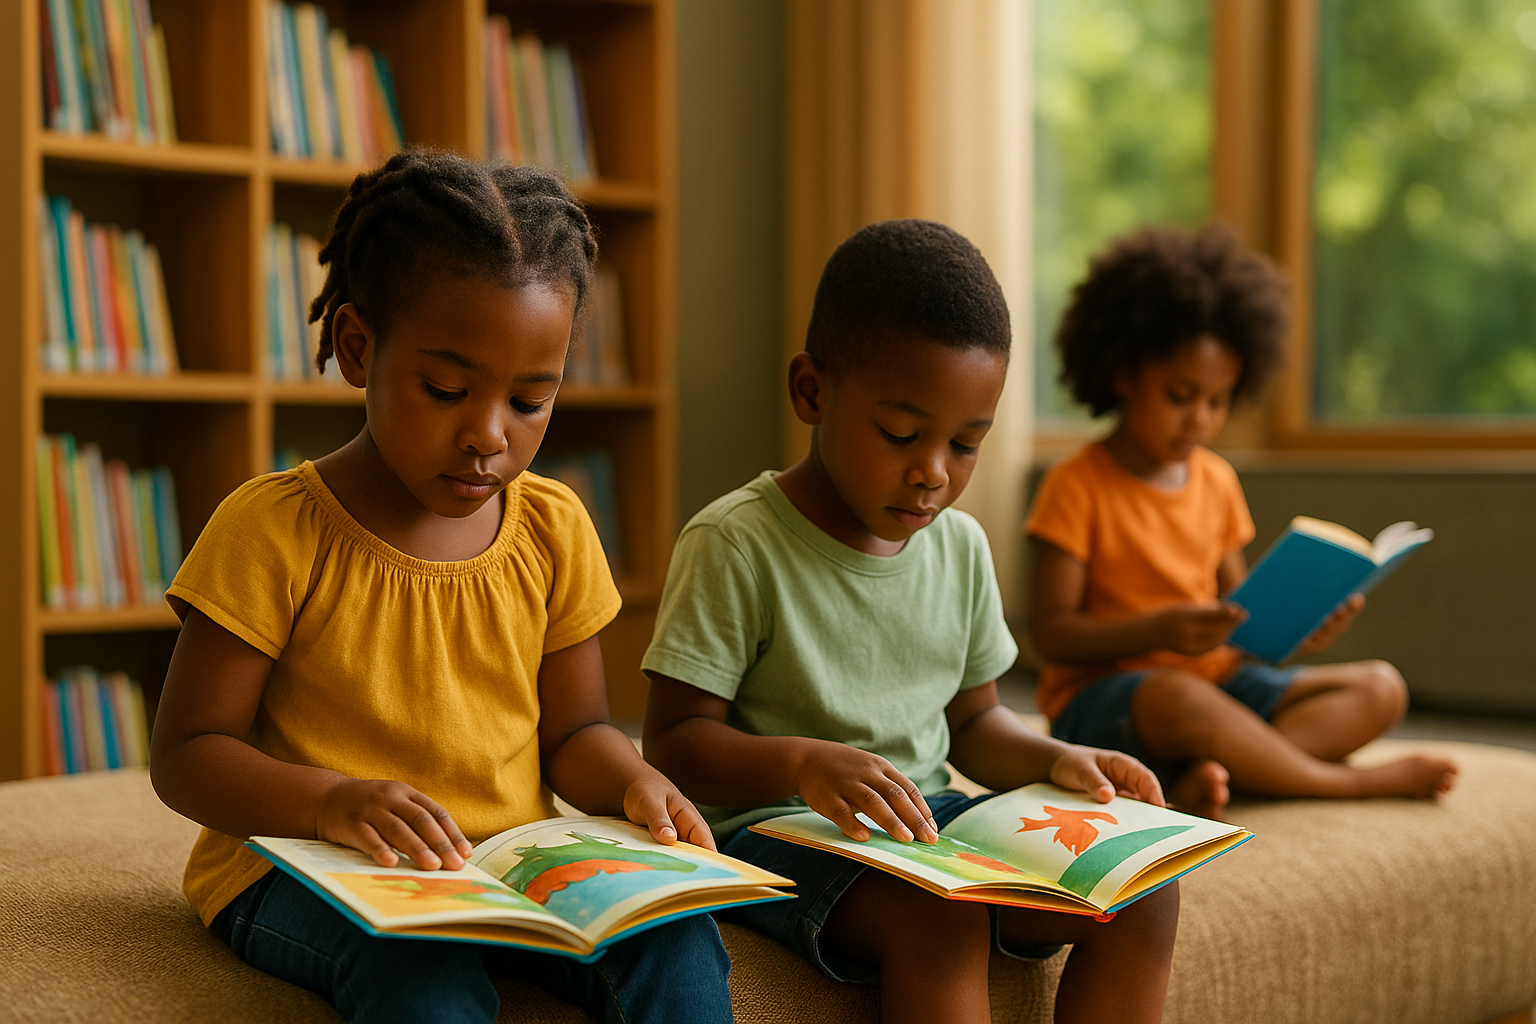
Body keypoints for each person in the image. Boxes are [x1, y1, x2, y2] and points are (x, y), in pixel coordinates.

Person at [148, 151, 733, 1024]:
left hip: (504, 864)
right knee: (416, 975)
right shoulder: (273, 528)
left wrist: (633, 783)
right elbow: (188, 752)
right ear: (357, 346)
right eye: (446, 389)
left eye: (531, 402)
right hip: (303, 861)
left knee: (680, 940)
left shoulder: (552, 526)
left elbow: (576, 732)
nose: (488, 436)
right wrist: (333, 801)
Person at [643, 220, 1181, 1024]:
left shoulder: (959, 546)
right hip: (784, 835)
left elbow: (976, 723)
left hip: (930, 821)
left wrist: (1059, 758)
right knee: (941, 914)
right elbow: (675, 744)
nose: (933, 473)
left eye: (967, 444)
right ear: (811, 391)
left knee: (1141, 886)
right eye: (902, 434)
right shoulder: (736, 543)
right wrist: (804, 765)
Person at [1026, 222, 1458, 821]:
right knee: (1179, 695)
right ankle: (1339, 783)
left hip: (1217, 691)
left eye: (1217, 400)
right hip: (1113, 704)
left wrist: (1302, 628)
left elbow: (1240, 620)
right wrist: (1160, 630)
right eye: (1181, 396)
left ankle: (1207, 775)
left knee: (1381, 688)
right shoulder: (1075, 483)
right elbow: (1051, 634)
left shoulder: (1217, 480)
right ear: (1122, 372)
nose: (1199, 419)